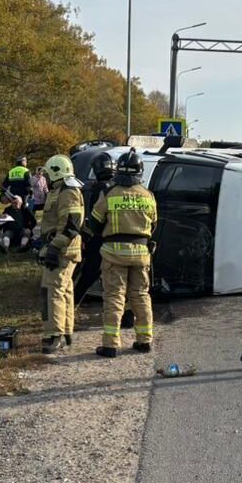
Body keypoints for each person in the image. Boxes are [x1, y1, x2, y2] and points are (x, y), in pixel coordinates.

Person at [85, 151, 157, 358]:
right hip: (141, 253)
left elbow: (95, 223)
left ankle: (110, 345)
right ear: (140, 172)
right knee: (141, 296)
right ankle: (144, 341)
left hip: (114, 253)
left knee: (114, 297)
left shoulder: (110, 193)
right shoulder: (148, 195)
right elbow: (153, 225)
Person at [38, 154, 84, 354]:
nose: (46, 179)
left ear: (56, 172)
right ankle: (65, 333)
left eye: (47, 174)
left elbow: (71, 224)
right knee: (64, 291)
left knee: (53, 290)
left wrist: (54, 248)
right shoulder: (61, 190)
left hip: (63, 250)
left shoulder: (68, 192)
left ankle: (55, 336)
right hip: (61, 248)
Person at [75, 153, 117, 299]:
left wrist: (87, 235)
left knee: (88, 274)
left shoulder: (100, 189)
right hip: (118, 239)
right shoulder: (119, 188)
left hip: (100, 238)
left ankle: (73, 301)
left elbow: (95, 216)